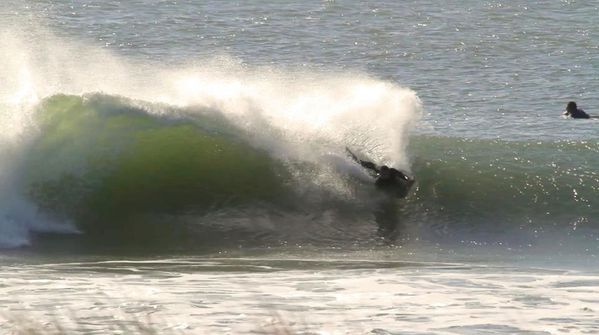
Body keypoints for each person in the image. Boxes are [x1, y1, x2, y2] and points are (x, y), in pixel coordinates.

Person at [346, 148, 415, 197]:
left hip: (385, 175)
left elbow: (405, 177)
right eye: (382, 174)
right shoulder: (379, 182)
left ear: (389, 172)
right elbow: (379, 192)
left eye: (385, 174)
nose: (383, 175)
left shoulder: (393, 171)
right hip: (377, 171)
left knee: (375, 169)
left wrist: (408, 181)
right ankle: (351, 155)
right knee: (364, 164)